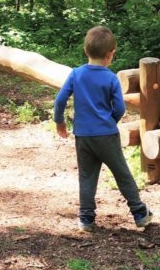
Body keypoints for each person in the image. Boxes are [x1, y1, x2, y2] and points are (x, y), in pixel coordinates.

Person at [54, 26, 153, 233]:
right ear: (111, 54)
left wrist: (59, 121)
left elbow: (60, 99)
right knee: (121, 173)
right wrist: (110, 121)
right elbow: (119, 108)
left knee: (87, 176)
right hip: (106, 135)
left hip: (83, 136)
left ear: (86, 50)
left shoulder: (76, 74)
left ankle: (86, 218)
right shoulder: (110, 78)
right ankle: (139, 213)